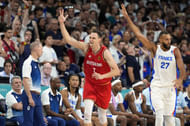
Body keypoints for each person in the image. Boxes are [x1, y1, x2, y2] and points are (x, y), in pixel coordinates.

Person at [121, 4, 186, 126]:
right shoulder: (154, 48)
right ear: (160, 40)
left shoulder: (175, 50)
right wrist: (127, 18)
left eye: (169, 39)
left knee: (170, 119)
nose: (168, 41)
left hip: (170, 88)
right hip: (157, 87)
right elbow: (139, 35)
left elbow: (182, 68)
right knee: (159, 114)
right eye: (166, 39)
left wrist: (180, 79)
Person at [58, 9, 120, 126]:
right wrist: (61, 23)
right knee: (87, 114)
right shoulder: (86, 48)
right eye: (90, 37)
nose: (90, 40)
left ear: (99, 40)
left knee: (102, 116)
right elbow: (69, 40)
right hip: (90, 84)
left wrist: (102, 75)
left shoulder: (105, 53)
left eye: (93, 38)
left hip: (103, 85)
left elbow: (116, 71)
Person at [21, 41, 47, 126]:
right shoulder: (28, 62)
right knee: (28, 123)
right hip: (30, 94)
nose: (42, 51)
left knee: (40, 123)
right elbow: (25, 80)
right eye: (41, 48)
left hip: (37, 95)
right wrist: (29, 97)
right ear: (36, 48)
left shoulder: (36, 62)